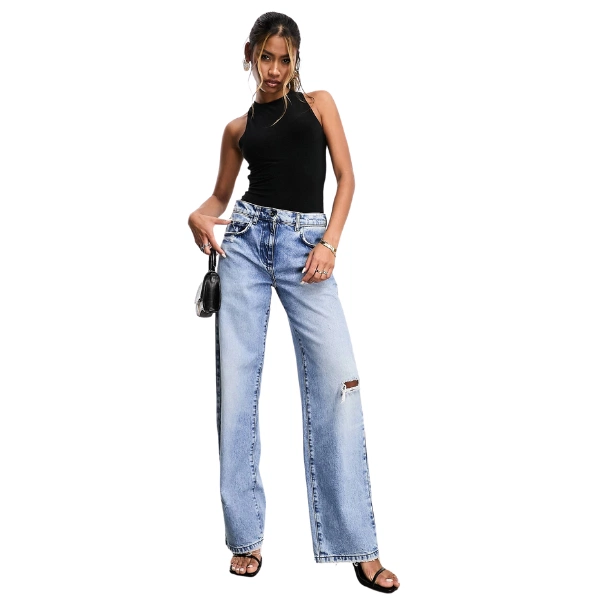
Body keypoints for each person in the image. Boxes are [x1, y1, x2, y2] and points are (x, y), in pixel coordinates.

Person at [187, 12, 400, 593]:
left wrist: (330, 241)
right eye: (267, 57)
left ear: (297, 59)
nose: (276, 69)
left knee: (338, 383)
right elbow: (219, 197)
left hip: (308, 246)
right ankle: (245, 538)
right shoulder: (237, 129)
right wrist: (197, 216)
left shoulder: (319, 104)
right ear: (250, 54)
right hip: (246, 244)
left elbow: (347, 178)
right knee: (237, 390)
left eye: (286, 59)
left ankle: (358, 546)